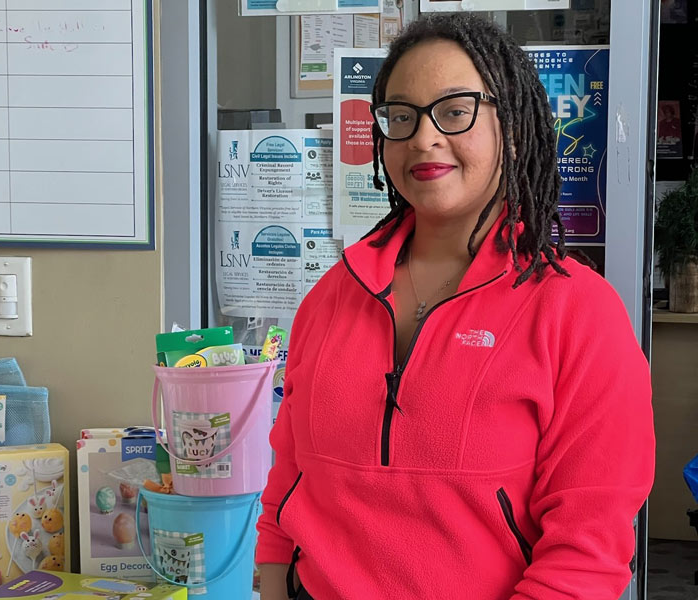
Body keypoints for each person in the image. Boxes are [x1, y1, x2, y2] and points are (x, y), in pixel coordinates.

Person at [256, 13, 655, 600]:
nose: (423, 138)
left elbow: (586, 550)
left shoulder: (577, 313)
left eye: (454, 109)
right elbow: (288, 485)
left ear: (511, 127)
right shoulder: (330, 298)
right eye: (401, 116)